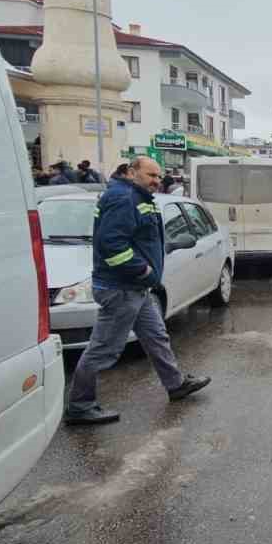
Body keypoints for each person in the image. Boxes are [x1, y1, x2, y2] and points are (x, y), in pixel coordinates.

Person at [64, 156, 211, 426]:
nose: (156, 181)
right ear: (132, 173)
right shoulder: (124, 199)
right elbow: (111, 244)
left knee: (156, 336)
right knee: (103, 349)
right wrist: (142, 270)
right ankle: (80, 406)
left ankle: (176, 384)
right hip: (121, 289)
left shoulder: (136, 196)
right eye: (150, 175)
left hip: (135, 288)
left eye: (158, 176)